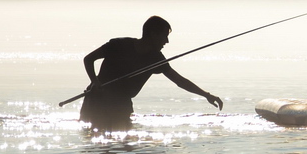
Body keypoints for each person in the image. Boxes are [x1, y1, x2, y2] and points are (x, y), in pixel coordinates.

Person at [79, 15, 223, 131]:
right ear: (153, 34)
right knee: (96, 143)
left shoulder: (156, 58)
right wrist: (95, 81)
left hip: (122, 104)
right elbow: (88, 59)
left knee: (125, 150)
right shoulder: (118, 45)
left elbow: (179, 81)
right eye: (164, 36)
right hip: (97, 101)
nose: (166, 41)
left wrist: (207, 95)